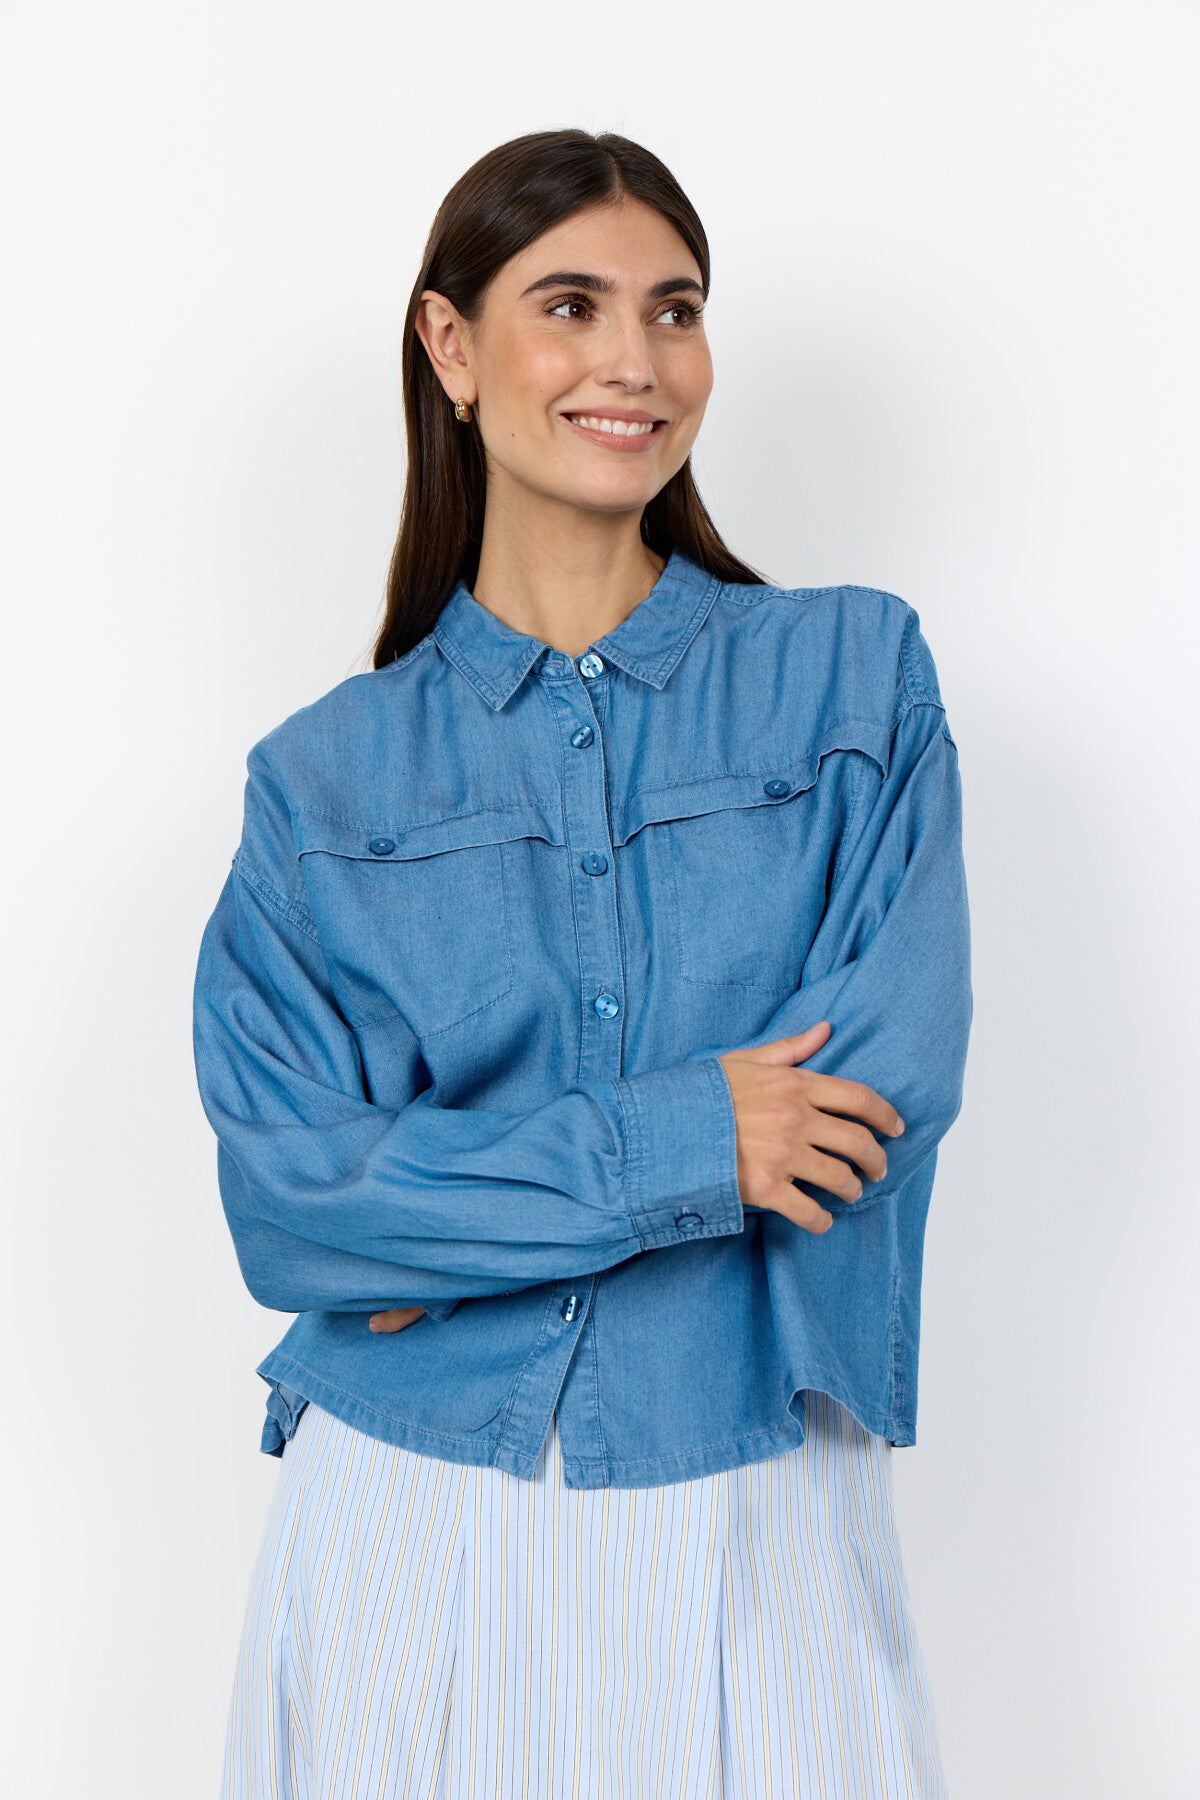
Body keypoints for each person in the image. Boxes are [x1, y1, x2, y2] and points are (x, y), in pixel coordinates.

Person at [193, 126, 973, 1800]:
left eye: (675, 310)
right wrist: (697, 1139)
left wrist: (448, 1202)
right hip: (408, 1510)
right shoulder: (323, 782)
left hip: (758, 1497)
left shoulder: (853, 679)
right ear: (452, 347)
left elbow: (874, 1092)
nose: (637, 360)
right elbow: (296, 1208)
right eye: (572, 306)